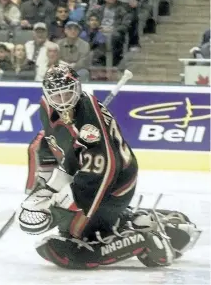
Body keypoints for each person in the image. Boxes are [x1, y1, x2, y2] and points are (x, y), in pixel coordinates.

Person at [19, 65, 201, 269]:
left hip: (115, 182)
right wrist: (44, 187)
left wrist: (59, 202)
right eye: (57, 96)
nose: (63, 101)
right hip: (94, 175)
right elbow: (53, 140)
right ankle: (136, 220)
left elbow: (104, 170)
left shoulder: (89, 124)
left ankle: (144, 240)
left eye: (68, 94)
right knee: (71, 228)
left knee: (73, 237)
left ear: (77, 88)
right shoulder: (48, 105)